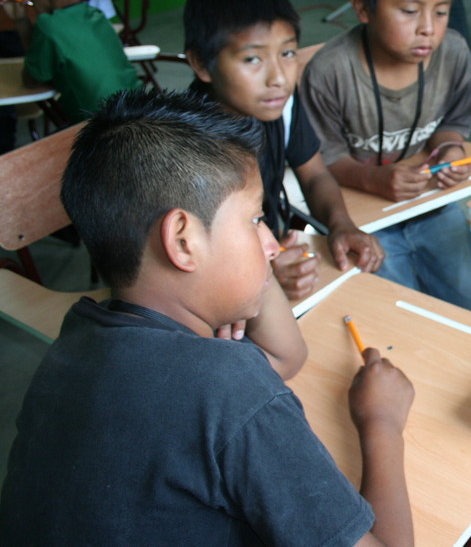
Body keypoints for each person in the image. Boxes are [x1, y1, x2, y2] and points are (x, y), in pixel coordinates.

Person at [0, 88, 416, 545]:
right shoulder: (225, 384)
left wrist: (245, 273)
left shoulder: (76, 340)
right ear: (182, 241)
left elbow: (284, 356)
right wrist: (382, 422)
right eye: (256, 220)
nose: (273, 244)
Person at [301, 0, 471, 313]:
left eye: (442, 11)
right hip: (357, 209)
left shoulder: (453, 53)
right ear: (363, 6)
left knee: (466, 299)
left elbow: (453, 121)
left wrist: (451, 149)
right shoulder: (330, 71)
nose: (428, 28)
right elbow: (324, 160)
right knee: (397, 310)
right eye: (409, 11)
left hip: (428, 199)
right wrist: (373, 178)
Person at [184, 0, 384, 301]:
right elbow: (190, 262)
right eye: (252, 59)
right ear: (202, 64)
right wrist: (261, 275)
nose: (278, 77)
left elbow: (315, 174)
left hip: (276, 255)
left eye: (288, 53)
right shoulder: (187, 147)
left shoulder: (281, 104)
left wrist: (341, 225)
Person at [0, 0, 137, 124]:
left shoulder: (49, 25)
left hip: (99, 131)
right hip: (139, 113)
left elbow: (32, 79)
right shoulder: (96, 16)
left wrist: (22, 22)